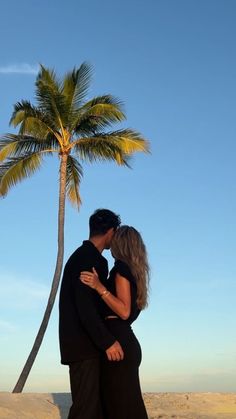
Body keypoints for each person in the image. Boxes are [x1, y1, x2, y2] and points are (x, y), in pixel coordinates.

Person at [59, 209, 124, 419]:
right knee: (85, 410)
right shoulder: (90, 259)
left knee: (90, 408)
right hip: (84, 346)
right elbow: (85, 307)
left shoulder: (81, 256)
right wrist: (107, 341)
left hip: (80, 345)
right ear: (111, 232)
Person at [80, 225, 150, 419]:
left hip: (119, 343)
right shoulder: (134, 272)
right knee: (128, 406)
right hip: (126, 341)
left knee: (120, 407)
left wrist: (99, 287)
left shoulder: (121, 270)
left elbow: (124, 311)